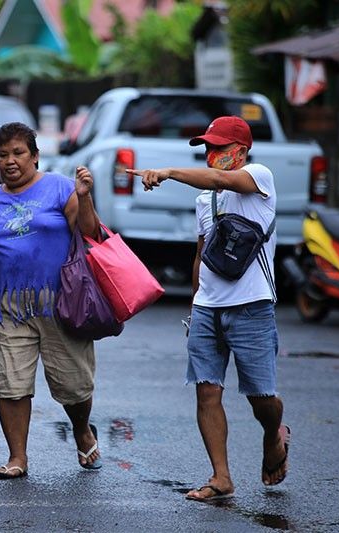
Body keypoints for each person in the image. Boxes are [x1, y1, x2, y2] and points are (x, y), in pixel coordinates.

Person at [126, 116, 290, 501]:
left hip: (251, 307)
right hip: (207, 309)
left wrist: (165, 172)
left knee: (261, 398)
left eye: (219, 148)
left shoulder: (259, 178)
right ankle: (221, 477)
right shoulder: (206, 199)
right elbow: (202, 253)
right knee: (206, 392)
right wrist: (196, 302)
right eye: (208, 148)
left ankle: (273, 434)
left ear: (242, 152)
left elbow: (220, 180)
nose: (211, 156)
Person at [0, 122, 103, 479]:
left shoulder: (60, 188)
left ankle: (81, 428)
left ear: (35, 155)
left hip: (60, 303)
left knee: (73, 387)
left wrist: (85, 196)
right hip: (11, 307)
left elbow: (91, 232)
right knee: (11, 384)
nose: (10, 161)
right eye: (3, 154)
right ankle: (18, 457)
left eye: (18, 153)